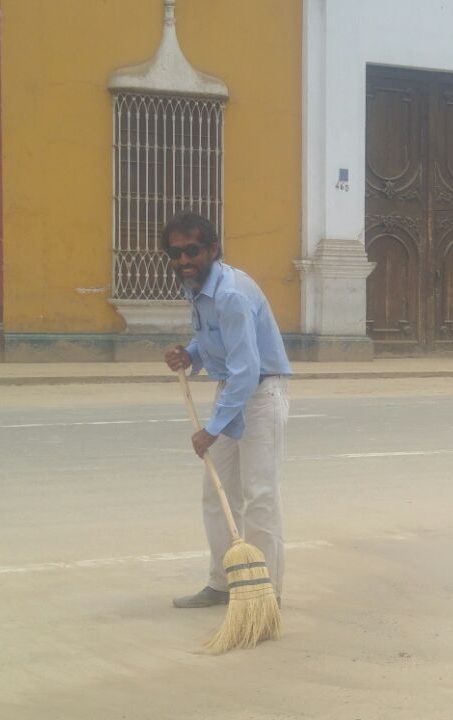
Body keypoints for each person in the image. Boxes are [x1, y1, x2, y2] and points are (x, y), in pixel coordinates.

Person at [161, 211, 293, 609]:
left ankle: (267, 594)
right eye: (176, 253)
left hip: (260, 393)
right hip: (232, 390)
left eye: (192, 251)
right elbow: (214, 339)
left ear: (213, 250)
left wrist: (212, 428)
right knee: (216, 496)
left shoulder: (231, 294)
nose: (184, 260)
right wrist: (191, 353)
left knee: (260, 495)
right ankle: (222, 583)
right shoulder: (198, 288)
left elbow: (247, 368)